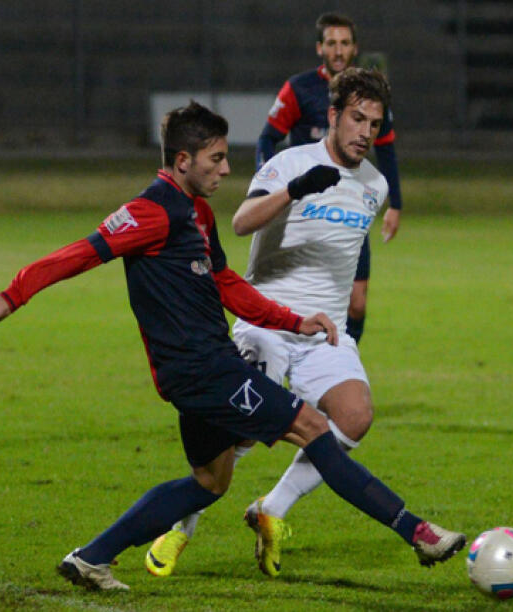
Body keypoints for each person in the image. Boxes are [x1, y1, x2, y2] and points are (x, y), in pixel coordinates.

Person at [0, 102, 466, 591]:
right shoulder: (152, 212)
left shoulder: (197, 213)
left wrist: (294, 320)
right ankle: (416, 532)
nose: (226, 169)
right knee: (313, 428)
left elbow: (226, 282)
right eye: (217, 158)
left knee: (210, 481)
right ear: (183, 161)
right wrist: (13, 295)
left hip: (205, 367)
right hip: (204, 371)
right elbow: (81, 253)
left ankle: (90, 557)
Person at [145, 68, 401, 579]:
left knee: (354, 416)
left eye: (374, 123)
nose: (365, 132)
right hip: (266, 319)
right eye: (356, 118)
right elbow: (241, 223)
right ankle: (180, 528)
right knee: (233, 435)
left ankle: (271, 509)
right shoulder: (290, 163)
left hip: (321, 329)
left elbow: (345, 252)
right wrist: (296, 191)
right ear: (333, 116)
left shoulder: (375, 185)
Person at [256, 11, 404, 345]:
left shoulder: (370, 96)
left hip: (350, 206)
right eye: (332, 43)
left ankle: (342, 360)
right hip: (306, 208)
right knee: (295, 294)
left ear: (355, 48)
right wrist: (270, 188)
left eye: (345, 43)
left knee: (357, 301)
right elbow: (267, 138)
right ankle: (290, 364)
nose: (338, 51)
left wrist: (396, 203)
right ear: (319, 48)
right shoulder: (299, 89)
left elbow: (387, 150)